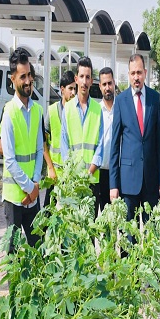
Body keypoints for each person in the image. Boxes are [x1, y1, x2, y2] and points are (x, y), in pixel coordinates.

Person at [109, 54, 160, 229]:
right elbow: (114, 146)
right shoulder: (120, 101)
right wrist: (114, 184)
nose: (136, 77)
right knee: (129, 236)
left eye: (139, 72)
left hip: (150, 181)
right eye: (133, 73)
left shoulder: (155, 99)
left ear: (145, 73)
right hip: (128, 182)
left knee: (151, 235)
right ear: (128, 74)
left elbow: (159, 144)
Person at [0, 49, 44, 248]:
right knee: (13, 255)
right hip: (14, 198)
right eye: (23, 77)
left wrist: (35, 185)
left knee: (38, 250)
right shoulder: (9, 112)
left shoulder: (37, 110)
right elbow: (9, 159)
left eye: (29, 75)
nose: (28, 81)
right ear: (13, 79)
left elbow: (38, 151)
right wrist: (30, 188)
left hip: (32, 196)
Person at [61, 56, 103, 219]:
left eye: (88, 77)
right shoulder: (68, 109)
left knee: (89, 234)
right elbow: (64, 145)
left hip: (91, 181)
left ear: (91, 80)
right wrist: (74, 175)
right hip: (73, 182)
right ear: (76, 79)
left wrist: (88, 173)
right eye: (82, 77)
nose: (84, 82)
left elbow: (100, 146)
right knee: (73, 230)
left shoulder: (97, 110)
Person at [43, 70, 76, 207]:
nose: (73, 92)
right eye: (70, 88)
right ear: (62, 89)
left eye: (75, 88)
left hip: (71, 174)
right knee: (48, 211)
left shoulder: (78, 112)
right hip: (55, 173)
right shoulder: (51, 111)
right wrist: (50, 168)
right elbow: (43, 142)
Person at [98, 67, 115, 211]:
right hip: (99, 173)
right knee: (101, 220)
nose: (107, 88)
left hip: (117, 173)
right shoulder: (96, 111)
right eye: (104, 84)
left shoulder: (121, 109)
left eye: (109, 83)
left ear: (114, 83)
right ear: (100, 86)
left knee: (119, 218)